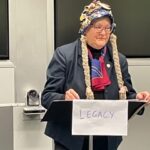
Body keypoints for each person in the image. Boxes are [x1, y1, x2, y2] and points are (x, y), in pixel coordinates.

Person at [41, 1, 150, 150]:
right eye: (98, 27)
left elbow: (127, 95)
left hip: (106, 138)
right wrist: (63, 98)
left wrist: (138, 99)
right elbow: (47, 96)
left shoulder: (119, 60)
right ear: (85, 28)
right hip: (71, 139)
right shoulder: (64, 55)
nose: (103, 32)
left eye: (107, 28)